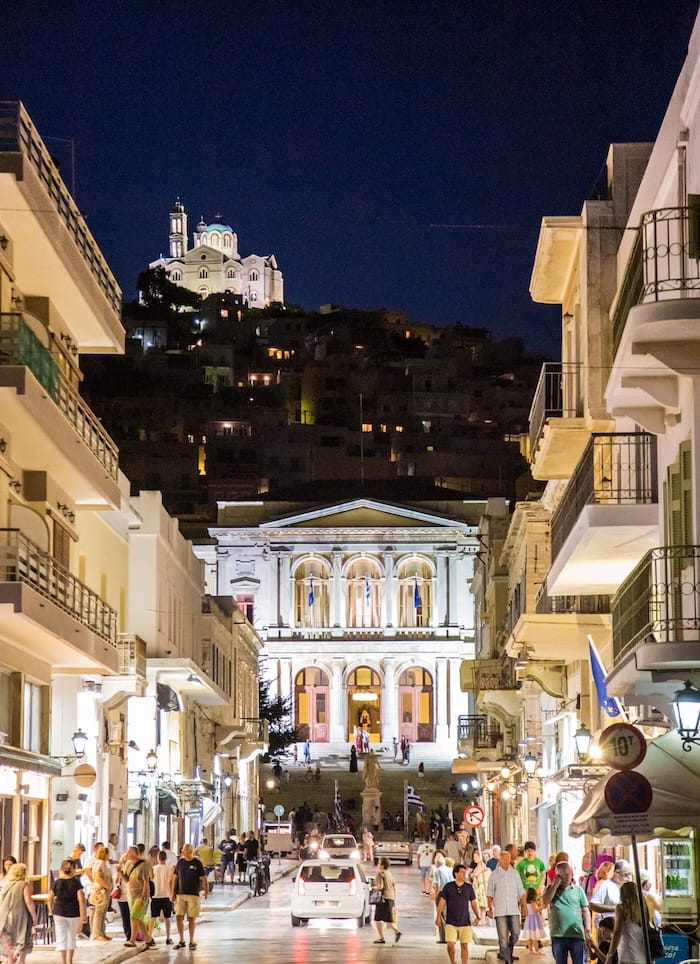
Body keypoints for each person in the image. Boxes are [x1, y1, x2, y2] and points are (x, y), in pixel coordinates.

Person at [542, 860, 591, 964]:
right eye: (563, 874)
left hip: (576, 934)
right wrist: (555, 885)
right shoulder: (550, 889)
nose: (567, 876)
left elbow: (585, 910)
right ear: (557, 875)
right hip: (558, 935)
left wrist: (588, 930)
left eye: (568, 873)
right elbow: (545, 901)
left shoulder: (578, 890)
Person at [486, 848, 527, 964]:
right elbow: (490, 893)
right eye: (504, 858)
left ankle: (507, 952)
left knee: (516, 934)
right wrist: (489, 908)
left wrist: (524, 907)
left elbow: (521, 892)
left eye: (508, 858)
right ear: (500, 859)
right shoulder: (494, 875)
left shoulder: (515, 874)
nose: (506, 860)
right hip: (500, 911)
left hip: (513, 910)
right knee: (503, 938)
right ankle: (508, 960)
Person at [435, 863, 479, 964]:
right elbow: (442, 902)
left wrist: (478, 916)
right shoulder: (448, 887)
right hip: (451, 922)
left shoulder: (469, 887)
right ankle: (453, 961)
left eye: (465, 873)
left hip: (465, 922)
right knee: (450, 944)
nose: (465, 875)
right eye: (462, 872)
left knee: (464, 945)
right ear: (456, 873)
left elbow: (473, 903)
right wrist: (438, 916)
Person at [170, 843, 207, 950]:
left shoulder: (197, 863)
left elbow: (203, 877)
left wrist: (206, 890)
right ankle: (181, 940)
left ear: (190, 852)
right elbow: (175, 878)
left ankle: (191, 940)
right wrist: (173, 892)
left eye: (185, 851)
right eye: (183, 851)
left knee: (191, 918)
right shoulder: (180, 862)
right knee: (178, 916)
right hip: (180, 894)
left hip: (193, 894)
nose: (183, 853)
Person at [48, 859, 86, 964]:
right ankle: (69, 961)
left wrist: (51, 910)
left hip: (59, 912)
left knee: (61, 937)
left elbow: (49, 898)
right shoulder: (76, 883)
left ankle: (63, 961)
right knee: (71, 937)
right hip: (73, 913)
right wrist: (83, 915)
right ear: (73, 869)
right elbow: (81, 899)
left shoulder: (57, 883)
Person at [0, 863, 37, 964]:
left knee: (10, 941)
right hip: (20, 916)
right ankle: (21, 961)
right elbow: (28, 902)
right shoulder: (24, 885)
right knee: (22, 938)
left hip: (6, 917)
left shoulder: (7, 885)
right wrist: (34, 917)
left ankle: (10, 961)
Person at [604, 880, 645, 964]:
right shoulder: (644, 908)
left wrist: (610, 955)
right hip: (643, 956)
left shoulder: (621, 908)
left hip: (627, 955)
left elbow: (617, 932)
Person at [125, 845, 152, 947]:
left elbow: (146, 882)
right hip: (131, 894)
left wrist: (142, 897)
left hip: (141, 895)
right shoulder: (128, 864)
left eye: (130, 852)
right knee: (138, 918)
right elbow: (126, 879)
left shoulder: (144, 864)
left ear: (135, 853)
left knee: (133, 916)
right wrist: (119, 871)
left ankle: (132, 940)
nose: (127, 853)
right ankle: (148, 938)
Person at [372, 856, 401, 945]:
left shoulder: (380, 874)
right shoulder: (389, 873)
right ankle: (395, 932)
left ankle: (383, 937)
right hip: (390, 898)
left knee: (378, 919)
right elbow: (393, 886)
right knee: (388, 919)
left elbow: (380, 886)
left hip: (382, 899)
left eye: (379, 863)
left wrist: (372, 887)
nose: (378, 865)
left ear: (383, 865)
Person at [89, 845, 113, 941]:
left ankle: (102, 932)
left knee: (102, 913)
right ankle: (97, 934)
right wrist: (107, 886)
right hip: (101, 890)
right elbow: (98, 877)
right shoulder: (100, 864)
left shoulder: (101, 863)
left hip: (103, 890)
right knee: (99, 913)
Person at [431, 852, 454, 944]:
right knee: (448, 914)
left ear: (437, 863)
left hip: (441, 894)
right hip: (450, 894)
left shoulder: (438, 871)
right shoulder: (449, 869)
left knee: (441, 915)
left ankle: (443, 938)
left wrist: (436, 895)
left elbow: (438, 884)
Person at [151, 851, 173, 945]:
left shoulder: (153, 869)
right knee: (167, 918)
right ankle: (168, 938)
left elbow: (151, 880)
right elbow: (171, 881)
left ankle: (149, 936)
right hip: (166, 896)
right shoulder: (169, 869)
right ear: (166, 858)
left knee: (153, 917)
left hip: (155, 896)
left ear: (158, 858)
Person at [523, 886, 546, 955]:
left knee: (529, 936)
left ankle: (530, 950)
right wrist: (542, 907)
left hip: (528, 920)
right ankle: (537, 950)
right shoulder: (532, 902)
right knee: (535, 937)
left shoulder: (526, 903)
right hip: (534, 920)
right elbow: (535, 910)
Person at [470, 850, 491, 924]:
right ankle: (479, 918)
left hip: (480, 886)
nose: (474, 858)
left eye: (476, 857)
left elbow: (474, 875)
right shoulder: (478, 866)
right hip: (477, 886)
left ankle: (482, 919)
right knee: (478, 903)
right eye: (474, 857)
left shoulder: (482, 865)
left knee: (482, 903)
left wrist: (472, 874)